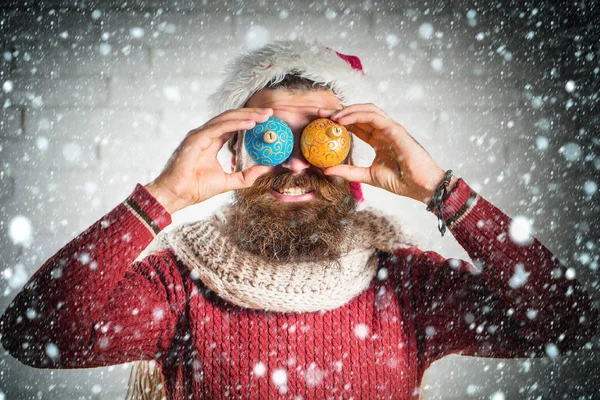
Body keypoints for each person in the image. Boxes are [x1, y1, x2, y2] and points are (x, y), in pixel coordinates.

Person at [0, 40, 597, 400]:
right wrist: (160, 197)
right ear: (232, 151)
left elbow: (564, 322)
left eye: (319, 138)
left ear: (353, 151)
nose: (293, 164)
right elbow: (36, 336)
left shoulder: (407, 288)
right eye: (266, 137)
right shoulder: (181, 288)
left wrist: (443, 192)